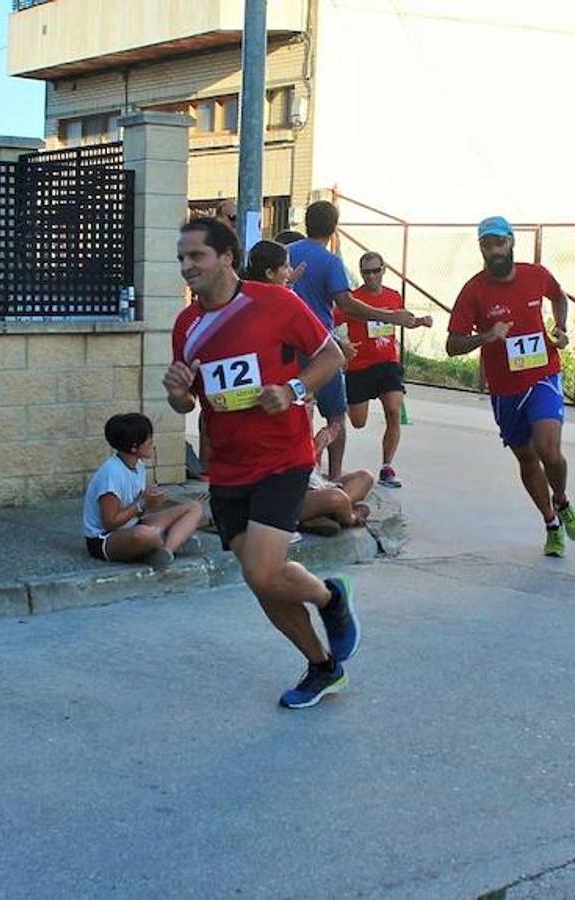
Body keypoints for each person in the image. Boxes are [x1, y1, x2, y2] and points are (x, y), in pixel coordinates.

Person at [164, 216, 359, 710]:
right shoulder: (187, 325)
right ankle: (326, 641)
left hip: (282, 456)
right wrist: (179, 395)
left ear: (226, 256)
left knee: (262, 570)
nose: (187, 266)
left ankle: (327, 632)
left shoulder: (274, 301)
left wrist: (293, 389)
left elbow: (331, 356)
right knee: (262, 577)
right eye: (182, 258)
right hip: (228, 467)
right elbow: (191, 405)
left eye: (196, 256)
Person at [446, 216, 575, 557]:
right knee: (526, 456)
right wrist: (486, 337)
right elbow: (452, 345)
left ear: (511, 242)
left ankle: (563, 499)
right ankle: (551, 522)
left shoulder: (535, 275)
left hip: (542, 374)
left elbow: (559, 297)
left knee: (548, 449)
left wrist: (561, 327)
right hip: (505, 387)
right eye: (486, 245)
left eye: (499, 243)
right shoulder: (473, 290)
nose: (494, 250)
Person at [287, 201, 426, 479]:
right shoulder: (330, 262)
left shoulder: (286, 253)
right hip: (319, 349)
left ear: (306, 223)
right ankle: (334, 476)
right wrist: (389, 316)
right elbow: (347, 304)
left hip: (285, 346)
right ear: (334, 227)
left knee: (296, 408)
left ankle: (297, 470)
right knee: (337, 416)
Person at [335, 251, 433, 488]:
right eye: (366, 272)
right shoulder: (352, 300)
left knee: (393, 409)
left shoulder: (393, 296)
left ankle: (386, 467)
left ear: (383, 270)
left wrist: (420, 321)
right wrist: (342, 344)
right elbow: (329, 323)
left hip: (387, 364)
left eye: (375, 271)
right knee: (358, 422)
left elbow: (401, 320)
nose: (371, 277)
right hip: (359, 367)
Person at [82, 413, 205, 568]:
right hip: (105, 539)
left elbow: (139, 508)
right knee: (145, 534)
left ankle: (166, 550)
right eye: (149, 441)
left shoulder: (138, 466)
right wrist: (142, 504)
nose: (153, 445)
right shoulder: (111, 474)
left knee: (194, 508)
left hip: (133, 524)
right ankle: (174, 539)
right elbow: (110, 523)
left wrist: (151, 500)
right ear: (134, 447)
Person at [298, 421, 374, 535]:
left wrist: (319, 447)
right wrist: (315, 449)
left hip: (317, 486)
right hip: (294, 496)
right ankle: (349, 518)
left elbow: (313, 470)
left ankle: (322, 516)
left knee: (365, 477)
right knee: (338, 498)